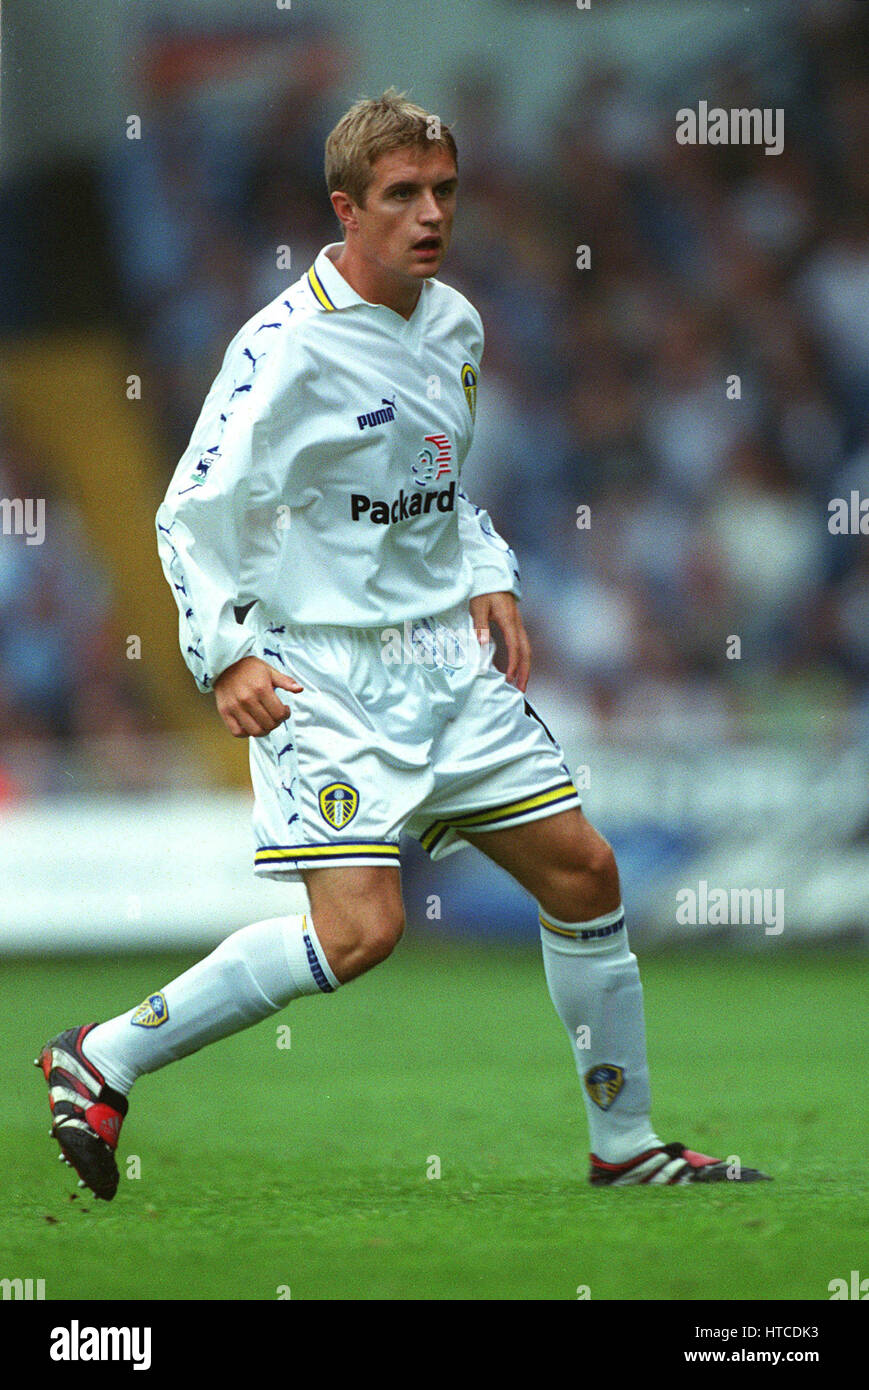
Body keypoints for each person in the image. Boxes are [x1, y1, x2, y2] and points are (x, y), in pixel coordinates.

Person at [37, 91, 769, 1199]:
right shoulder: (282, 351)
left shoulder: (456, 324)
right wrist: (223, 653)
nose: (430, 214)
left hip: (441, 661)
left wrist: (486, 574)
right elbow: (190, 512)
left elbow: (434, 483)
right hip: (320, 669)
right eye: (402, 195)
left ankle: (626, 1145)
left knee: (583, 871)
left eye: (443, 191)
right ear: (346, 208)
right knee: (360, 931)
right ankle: (108, 1052)